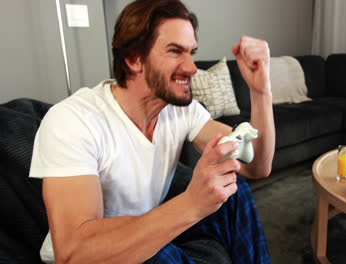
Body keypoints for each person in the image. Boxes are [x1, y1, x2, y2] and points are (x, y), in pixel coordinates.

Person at [29, 0, 275, 263]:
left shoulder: (182, 110)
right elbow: (74, 252)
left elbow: (255, 167)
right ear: (134, 58)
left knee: (235, 189)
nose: (192, 67)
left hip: (147, 227)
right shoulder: (73, 121)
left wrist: (261, 91)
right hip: (95, 254)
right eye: (174, 51)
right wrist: (190, 204)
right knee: (158, 255)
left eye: (191, 52)